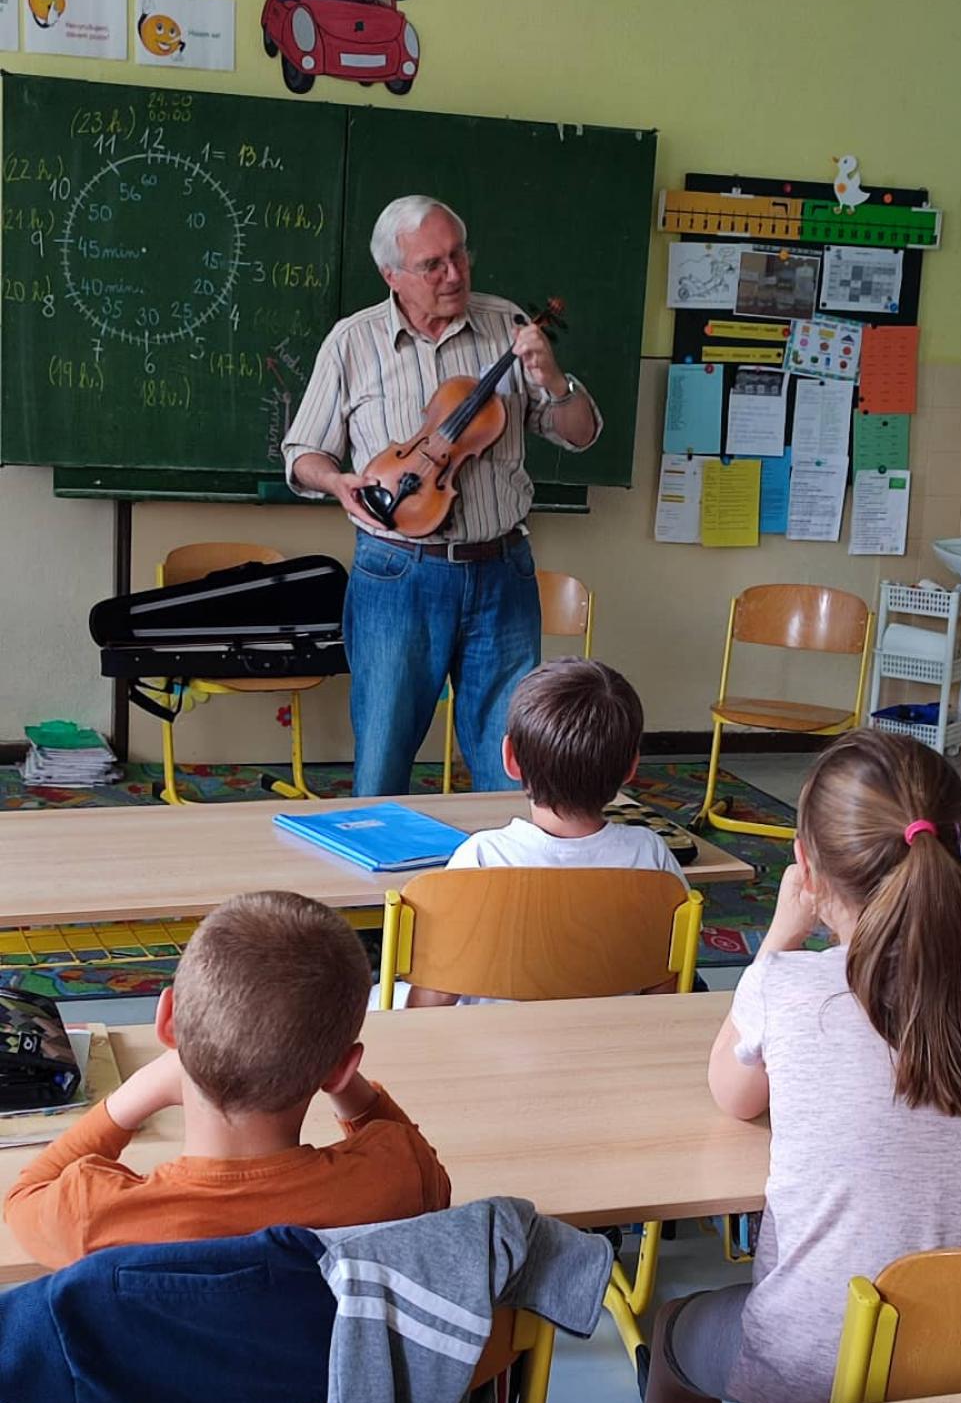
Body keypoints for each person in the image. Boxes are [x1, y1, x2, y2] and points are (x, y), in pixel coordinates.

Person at [644, 727, 961, 1403]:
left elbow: (733, 1095)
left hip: (813, 1364)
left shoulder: (791, 987)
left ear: (805, 868)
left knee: (673, 1329)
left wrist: (776, 939)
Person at [282, 195, 602, 795]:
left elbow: (581, 435)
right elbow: (302, 454)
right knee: (381, 756)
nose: (453, 274)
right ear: (392, 276)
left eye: (459, 256)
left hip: (501, 571)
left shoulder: (507, 326)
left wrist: (553, 380)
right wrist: (335, 481)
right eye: (432, 264)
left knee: (511, 759)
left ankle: (506, 887)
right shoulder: (353, 342)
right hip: (397, 575)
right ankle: (373, 889)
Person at [4, 889, 450, 1270]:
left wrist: (132, 1098)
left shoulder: (93, 1213)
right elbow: (427, 1172)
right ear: (342, 1068)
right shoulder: (397, 1176)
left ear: (166, 1022)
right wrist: (340, 1078)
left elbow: (23, 1197)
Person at [407, 658, 687, 1008]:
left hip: (488, 1052)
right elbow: (665, 989)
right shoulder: (652, 857)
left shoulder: (481, 857)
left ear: (509, 758)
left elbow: (433, 998)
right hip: (611, 1045)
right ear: (631, 767)